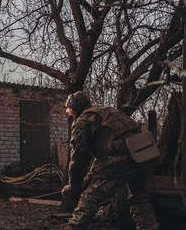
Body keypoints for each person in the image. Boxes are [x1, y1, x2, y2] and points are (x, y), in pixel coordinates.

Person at [61, 91, 159, 230]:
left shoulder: (83, 121)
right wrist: (90, 176)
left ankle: (73, 227)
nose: (67, 111)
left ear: (75, 107)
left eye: (68, 108)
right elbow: (104, 151)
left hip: (123, 158)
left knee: (90, 197)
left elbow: (78, 159)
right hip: (145, 154)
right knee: (140, 200)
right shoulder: (105, 111)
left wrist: (73, 185)